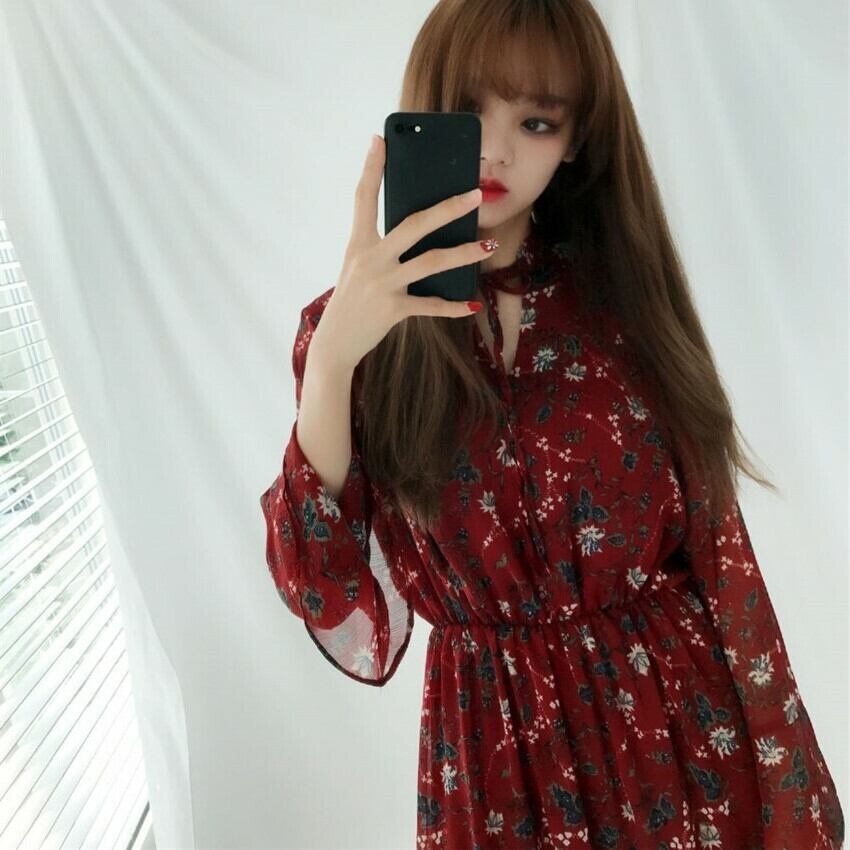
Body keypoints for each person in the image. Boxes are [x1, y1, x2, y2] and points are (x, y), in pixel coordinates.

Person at [259, 0, 845, 847]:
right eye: (470, 112)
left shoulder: (623, 302)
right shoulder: (348, 340)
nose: (496, 150)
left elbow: (719, 550)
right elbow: (334, 599)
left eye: (536, 121)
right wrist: (333, 362)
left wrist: (788, 782)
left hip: (679, 742)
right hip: (495, 767)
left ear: (575, 142)